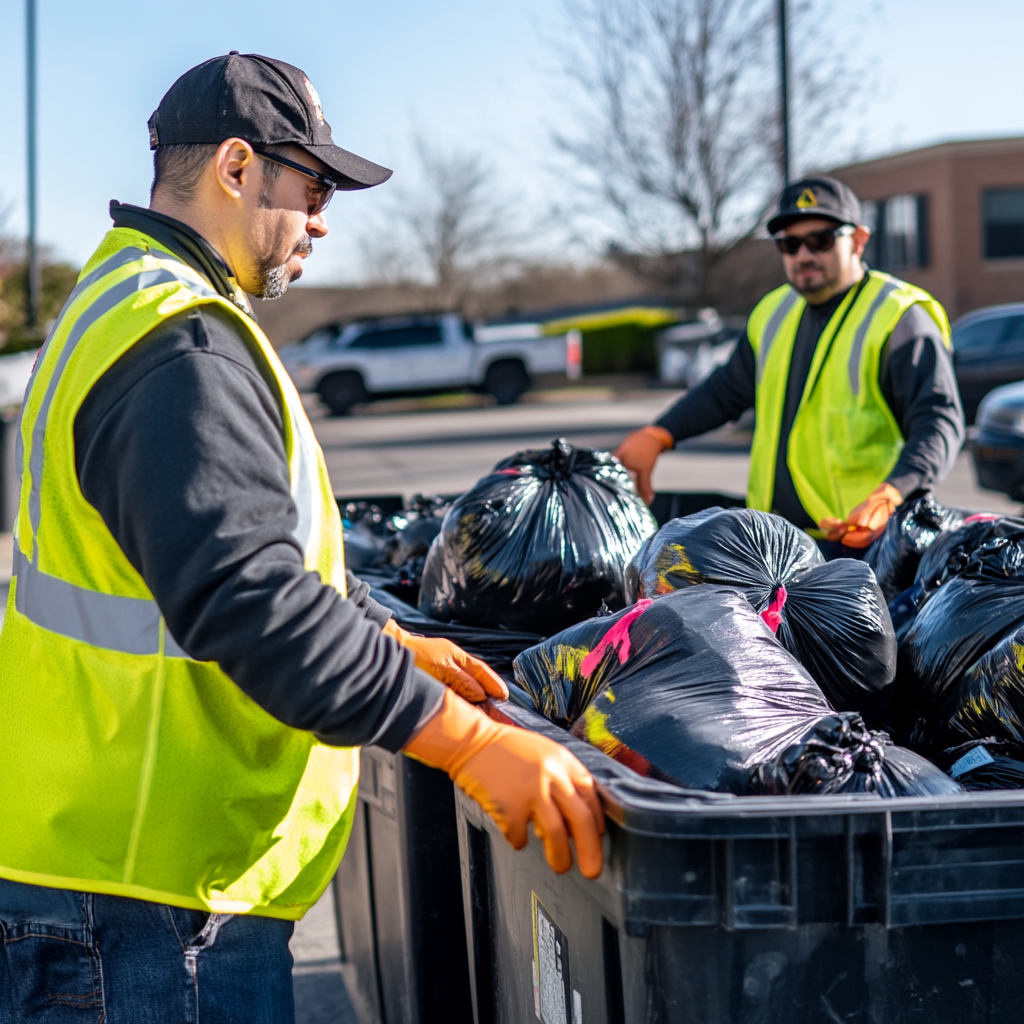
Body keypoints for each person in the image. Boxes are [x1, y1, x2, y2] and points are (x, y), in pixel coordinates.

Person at [0, 53, 603, 1022]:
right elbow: (245, 598)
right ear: (237, 168)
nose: (324, 218)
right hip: (143, 899)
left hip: (119, 865)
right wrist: (466, 742)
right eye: (312, 187)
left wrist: (383, 634)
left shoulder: (128, 301)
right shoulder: (179, 344)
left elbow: (208, 553)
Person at [616, 176, 965, 555]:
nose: (803, 254)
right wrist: (661, 433)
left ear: (859, 241)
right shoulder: (772, 312)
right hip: (775, 544)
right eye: (789, 244)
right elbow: (726, 390)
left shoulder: (899, 316)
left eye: (821, 240)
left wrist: (894, 491)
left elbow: (938, 421)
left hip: (864, 546)